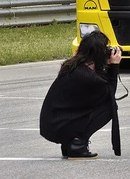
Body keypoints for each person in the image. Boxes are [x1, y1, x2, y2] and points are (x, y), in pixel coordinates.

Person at [39, 31, 122, 159]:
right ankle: (77, 144)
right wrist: (114, 66)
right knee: (109, 108)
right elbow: (109, 94)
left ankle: (69, 143)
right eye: (105, 49)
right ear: (98, 53)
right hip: (57, 126)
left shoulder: (73, 66)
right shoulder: (86, 76)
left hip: (52, 124)